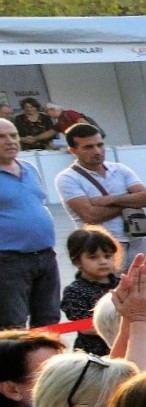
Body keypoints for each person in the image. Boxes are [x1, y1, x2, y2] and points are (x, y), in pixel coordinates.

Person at [53, 122, 146, 264]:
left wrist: (110, 200)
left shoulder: (119, 169)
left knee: (145, 285)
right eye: (88, 147)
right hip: (102, 250)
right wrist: (128, 201)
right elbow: (91, 216)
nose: (97, 151)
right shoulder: (68, 178)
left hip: (137, 242)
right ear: (72, 151)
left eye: (100, 145)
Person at [0, 120, 61, 331]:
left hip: (45, 256)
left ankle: (46, 363)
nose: (10, 141)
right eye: (2, 137)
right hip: (8, 260)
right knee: (12, 324)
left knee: (49, 321)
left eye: (13, 135)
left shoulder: (29, 168)